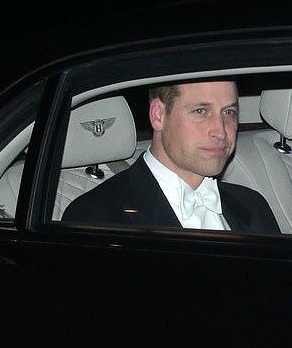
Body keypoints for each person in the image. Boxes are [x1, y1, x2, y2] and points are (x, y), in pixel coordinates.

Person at [63, 79, 280, 233]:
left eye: (229, 112)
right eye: (201, 112)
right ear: (158, 115)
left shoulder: (252, 205)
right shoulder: (97, 218)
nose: (221, 131)